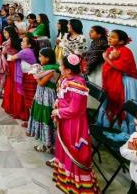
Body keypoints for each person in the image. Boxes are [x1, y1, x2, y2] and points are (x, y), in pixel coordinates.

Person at [49, 54, 99, 194]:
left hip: (73, 124)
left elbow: (75, 109)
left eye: (61, 66)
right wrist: (58, 103)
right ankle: (64, 178)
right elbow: (65, 99)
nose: (60, 67)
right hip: (66, 120)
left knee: (72, 149)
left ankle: (76, 183)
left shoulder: (77, 84)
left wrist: (57, 112)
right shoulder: (67, 79)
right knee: (63, 147)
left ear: (68, 70)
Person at [97, 30, 137, 133]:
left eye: (113, 37)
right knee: (111, 104)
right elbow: (107, 68)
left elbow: (121, 67)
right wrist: (109, 57)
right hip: (113, 82)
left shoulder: (126, 51)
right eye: (109, 36)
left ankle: (127, 132)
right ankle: (112, 127)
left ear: (121, 41)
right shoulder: (110, 49)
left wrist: (106, 58)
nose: (109, 38)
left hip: (126, 83)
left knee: (124, 107)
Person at [27, 47, 59, 153]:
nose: (39, 58)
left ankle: (49, 145)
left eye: (41, 56)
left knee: (46, 118)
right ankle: (46, 144)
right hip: (41, 95)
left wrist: (34, 73)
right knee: (40, 116)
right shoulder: (45, 68)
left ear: (48, 58)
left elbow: (41, 83)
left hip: (47, 97)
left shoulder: (51, 70)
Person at [9, 36, 38, 123]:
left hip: (30, 77)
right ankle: (30, 122)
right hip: (29, 76)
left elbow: (12, 58)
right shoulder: (29, 51)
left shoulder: (25, 51)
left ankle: (31, 122)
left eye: (23, 41)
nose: (21, 43)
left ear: (29, 45)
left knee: (30, 100)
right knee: (29, 99)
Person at [1, 26, 27, 120]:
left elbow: (6, 52)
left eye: (6, 32)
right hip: (17, 62)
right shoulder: (16, 40)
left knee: (13, 84)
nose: (5, 34)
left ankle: (13, 107)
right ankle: (15, 107)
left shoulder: (9, 42)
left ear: (10, 33)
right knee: (16, 84)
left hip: (13, 63)